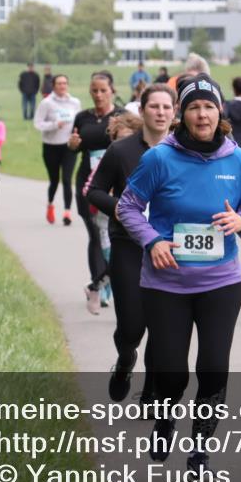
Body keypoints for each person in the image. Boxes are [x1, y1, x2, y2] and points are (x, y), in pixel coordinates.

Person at [116, 72, 241, 482]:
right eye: (194, 107)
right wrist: (152, 241)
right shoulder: (160, 158)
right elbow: (127, 208)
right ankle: (164, 422)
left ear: (220, 113)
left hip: (221, 283)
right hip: (166, 284)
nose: (202, 115)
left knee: (214, 368)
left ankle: (200, 452)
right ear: (182, 114)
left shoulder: (236, 160)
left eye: (209, 107)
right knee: (172, 371)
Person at [88, 84, 177, 403]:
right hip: (128, 243)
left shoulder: (185, 151)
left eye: (167, 107)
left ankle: (152, 392)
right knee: (133, 326)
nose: (161, 113)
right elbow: (94, 190)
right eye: (154, 107)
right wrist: (125, 210)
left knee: (163, 325)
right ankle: (125, 361)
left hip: (170, 247)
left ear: (174, 112)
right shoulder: (121, 151)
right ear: (142, 111)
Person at [69, 71, 126, 314]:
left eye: (103, 90)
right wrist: (71, 146)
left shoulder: (122, 116)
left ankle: (103, 284)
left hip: (115, 183)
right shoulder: (82, 117)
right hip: (88, 181)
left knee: (117, 236)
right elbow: (73, 145)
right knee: (94, 234)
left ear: (112, 90)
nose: (99, 94)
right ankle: (100, 288)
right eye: (94, 90)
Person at [34, 74, 82, 225]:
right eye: (59, 83)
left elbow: (79, 122)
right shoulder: (46, 103)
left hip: (69, 146)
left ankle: (67, 212)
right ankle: (50, 204)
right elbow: (38, 124)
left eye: (65, 83)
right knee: (54, 180)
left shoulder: (75, 102)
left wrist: (77, 132)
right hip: (51, 146)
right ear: (54, 86)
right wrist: (54, 125)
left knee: (67, 179)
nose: (62, 86)